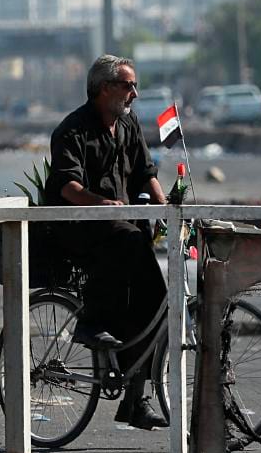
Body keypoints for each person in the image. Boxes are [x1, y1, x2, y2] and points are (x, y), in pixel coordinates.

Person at [44, 54, 169, 431]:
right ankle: (90, 323)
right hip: (80, 228)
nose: (135, 94)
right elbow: (67, 186)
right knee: (127, 241)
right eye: (128, 85)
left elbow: (145, 172)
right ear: (104, 88)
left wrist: (166, 207)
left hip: (123, 230)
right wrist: (101, 203)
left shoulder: (128, 124)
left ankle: (135, 399)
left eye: (135, 86)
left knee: (154, 303)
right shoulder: (72, 130)